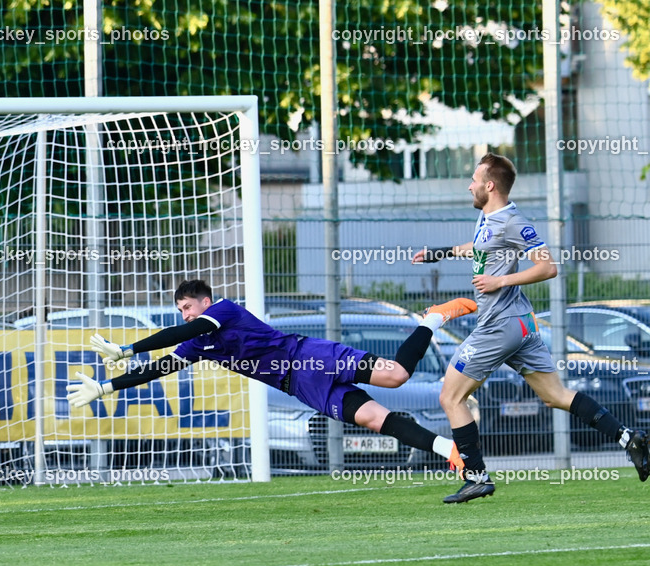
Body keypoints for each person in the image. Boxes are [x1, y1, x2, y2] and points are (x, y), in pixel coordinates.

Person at [411, 152, 649, 503]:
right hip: (520, 324)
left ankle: (476, 476)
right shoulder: (487, 217)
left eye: (474, 180)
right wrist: (441, 252)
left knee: (451, 396)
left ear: (489, 186)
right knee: (555, 396)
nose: (469, 185)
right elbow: (479, 248)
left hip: (499, 326)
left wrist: (500, 281)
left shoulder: (512, 220)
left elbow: (548, 266)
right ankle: (630, 439)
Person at [67, 279, 477, 473]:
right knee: (375, 419)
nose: (185, 314)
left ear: (205, 302)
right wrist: (106, 385)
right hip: (298, 385)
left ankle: (432, 320)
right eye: (180, 309)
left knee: (397, 376)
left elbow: (185, 331)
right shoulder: (196, 345)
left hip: (308, 357)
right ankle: (449, 451)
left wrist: (126, 348)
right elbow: (161, 368)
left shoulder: (222, 310)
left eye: (188, 306)